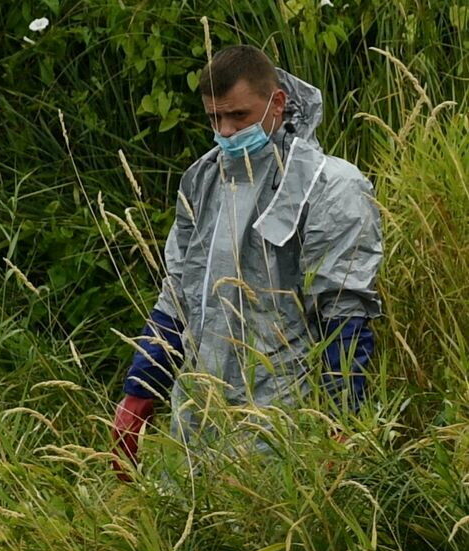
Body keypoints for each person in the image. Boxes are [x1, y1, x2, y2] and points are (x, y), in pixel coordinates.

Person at [113, 47, 381, 469]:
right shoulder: (203, 179)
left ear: (277, 103)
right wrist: (140, 388)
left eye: (238, 116)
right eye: (214, 119)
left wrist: (342, 422)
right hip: (198, 421)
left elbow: (343, 315)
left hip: (285, 425)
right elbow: (178, 295)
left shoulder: (331, 187)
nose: (226, 131)